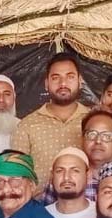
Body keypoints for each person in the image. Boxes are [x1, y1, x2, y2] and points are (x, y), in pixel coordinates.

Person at [11, 53, 91, 188]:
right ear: (47, 84)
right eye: (56, 78)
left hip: (86, 205)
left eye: (70, 77)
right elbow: (17, 174)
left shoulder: (93, 121)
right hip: (40, 207)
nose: (63, 83)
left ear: (80, 81)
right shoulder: (27, 125)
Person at [42, 110, 112, 205]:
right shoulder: (62, 178)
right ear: (82, 139)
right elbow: (46, 215)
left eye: (106, 136)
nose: (98, 141)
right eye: (92, 134)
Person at [44, 147, 97, 218]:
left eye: (75, 171)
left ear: (88, 176)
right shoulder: (40, 217)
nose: (66, 177)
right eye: (59, 171)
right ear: (52, 177)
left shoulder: (100, 217)